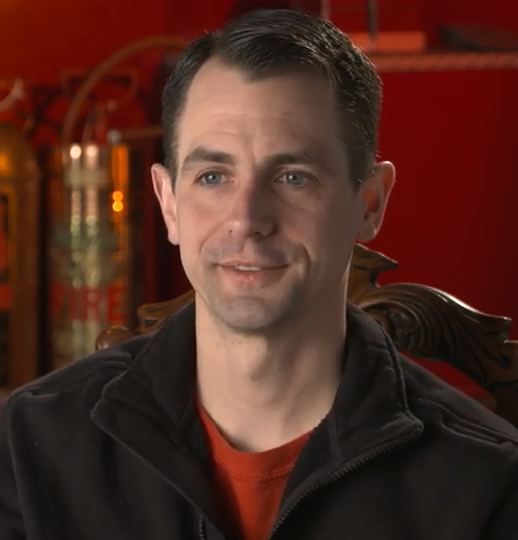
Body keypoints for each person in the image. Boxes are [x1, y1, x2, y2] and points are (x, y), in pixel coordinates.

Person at [1, 9, 518, 540]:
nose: (247, 219)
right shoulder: (32, 447)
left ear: (370, 203)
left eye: (293, 176)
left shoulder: (483, 484)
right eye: (212, 176)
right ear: (168, 202)